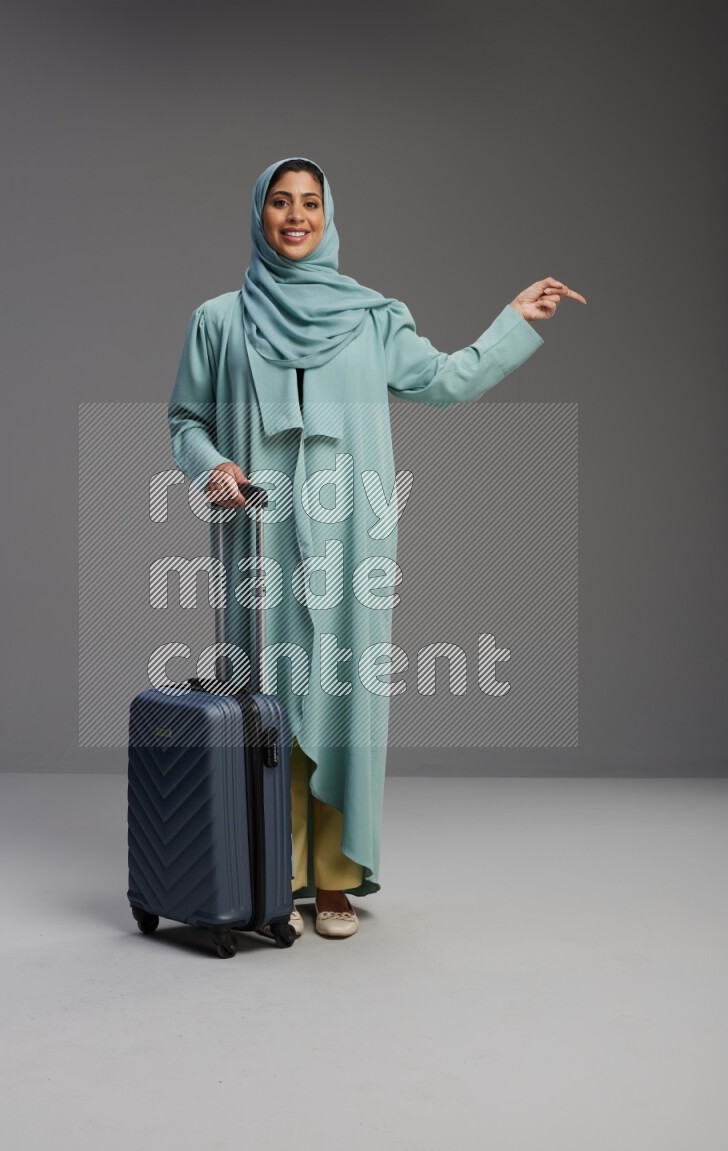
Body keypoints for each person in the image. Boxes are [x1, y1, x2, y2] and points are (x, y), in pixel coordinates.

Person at [168, 156, 585, 940]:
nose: (296, 216)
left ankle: (332, 879)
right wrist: (212, 464)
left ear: (329, 216)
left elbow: (445, 380)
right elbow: (185, 419)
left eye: (311, 204)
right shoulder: (218, 319)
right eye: (281, 203)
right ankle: (270, 876)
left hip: (352, 536)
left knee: (344, 702)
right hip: (257, 537)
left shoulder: (370, 317)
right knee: (266, 708)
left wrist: (514, 320)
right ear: (259, 214)